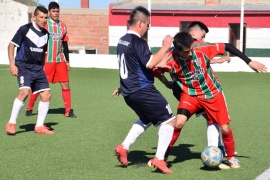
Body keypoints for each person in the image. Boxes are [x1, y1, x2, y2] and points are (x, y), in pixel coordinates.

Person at [157, 21, 267, 164]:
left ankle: (231, 157)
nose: (191, 53)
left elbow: (228, 46)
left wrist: (249, 61)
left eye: (191, 49)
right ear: (177, 51)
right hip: (191, 95)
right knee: (178, 123)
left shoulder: (201, 48)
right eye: (187, 51)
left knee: (224, 127)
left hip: (212, 93)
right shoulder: (170, 58)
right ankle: (162, 157)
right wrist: (164, 77)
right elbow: (151, 69)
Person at [113, 6, 176, 174]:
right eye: (147, 24)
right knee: (169, 120)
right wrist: (165, 47)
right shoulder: (138, 42)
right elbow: (149, 63)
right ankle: (159, 159)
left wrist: (121, 87)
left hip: (129, 92)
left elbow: (133, 66)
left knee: (146, 118)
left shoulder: (122, 40)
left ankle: (123, 147)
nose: (148, 27)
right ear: (140, 23)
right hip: (142, 90)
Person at [6, 6, 54, 135]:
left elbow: (42, 53)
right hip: (23, 66)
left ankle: (39, 126)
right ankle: (11, 123)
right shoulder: (25, 29)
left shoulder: (46, 34)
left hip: (38, 68)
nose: (44, 20)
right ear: (34, 17)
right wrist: (12, 64)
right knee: (24, 92)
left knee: (46, 95)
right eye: (41, 17)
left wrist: (42, 68)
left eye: (46, 18)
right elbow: (11, 46)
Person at [25, 1, 77, 118]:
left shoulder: (63, 26)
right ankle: (30, 108)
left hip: (60, 60)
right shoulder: (44, 24)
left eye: (57, 11)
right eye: (53, 11)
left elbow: (65, 44)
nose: (56, 13)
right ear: (49, 12)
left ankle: (68, 111)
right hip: (46, 61)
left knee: (65, 84)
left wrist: (67, 61)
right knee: (39, 85)